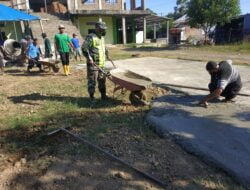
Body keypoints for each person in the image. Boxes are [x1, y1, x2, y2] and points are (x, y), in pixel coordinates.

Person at [82, 21, 110, 101]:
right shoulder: (91, 37)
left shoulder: (101, 37)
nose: (103, 31)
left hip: (101, 64)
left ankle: (103, 96)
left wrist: (107, 53)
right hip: (93, 64)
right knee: (92, 81)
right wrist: (88, 57)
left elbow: (103, 47)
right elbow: (84, 48)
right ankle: (92, 97)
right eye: (101, 29)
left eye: (104, 29)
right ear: (97, 28)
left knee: (102, 80)